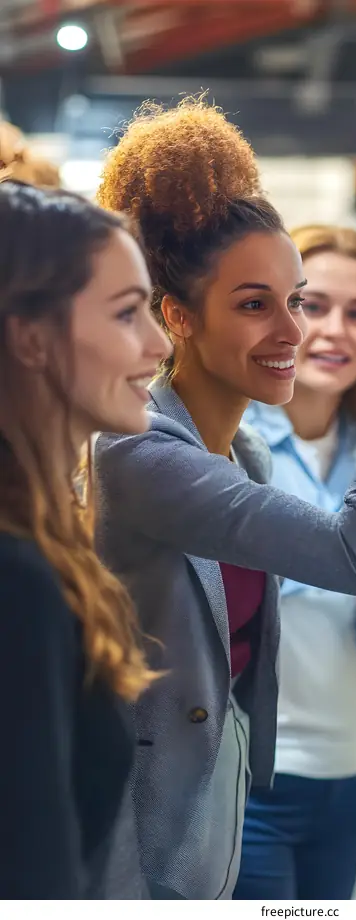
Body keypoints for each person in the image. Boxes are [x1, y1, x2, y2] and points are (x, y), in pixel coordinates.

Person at [93, 97, 356, 900]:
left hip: (219, 818)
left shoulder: (245, 452)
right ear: (178, 317)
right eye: (254, 304)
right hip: (135, 849)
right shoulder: (139, 453)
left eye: (293, 299)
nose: (294, 331)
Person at [233, 224, 356, 900]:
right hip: (248, 776)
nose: (335, 331)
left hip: (349, 769)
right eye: (313, 305)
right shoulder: (231, 444)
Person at [0, 180, 171, 898]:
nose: (160, 344)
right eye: (127, 313)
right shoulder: (17, 577)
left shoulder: (40, 535)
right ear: (31, 338)